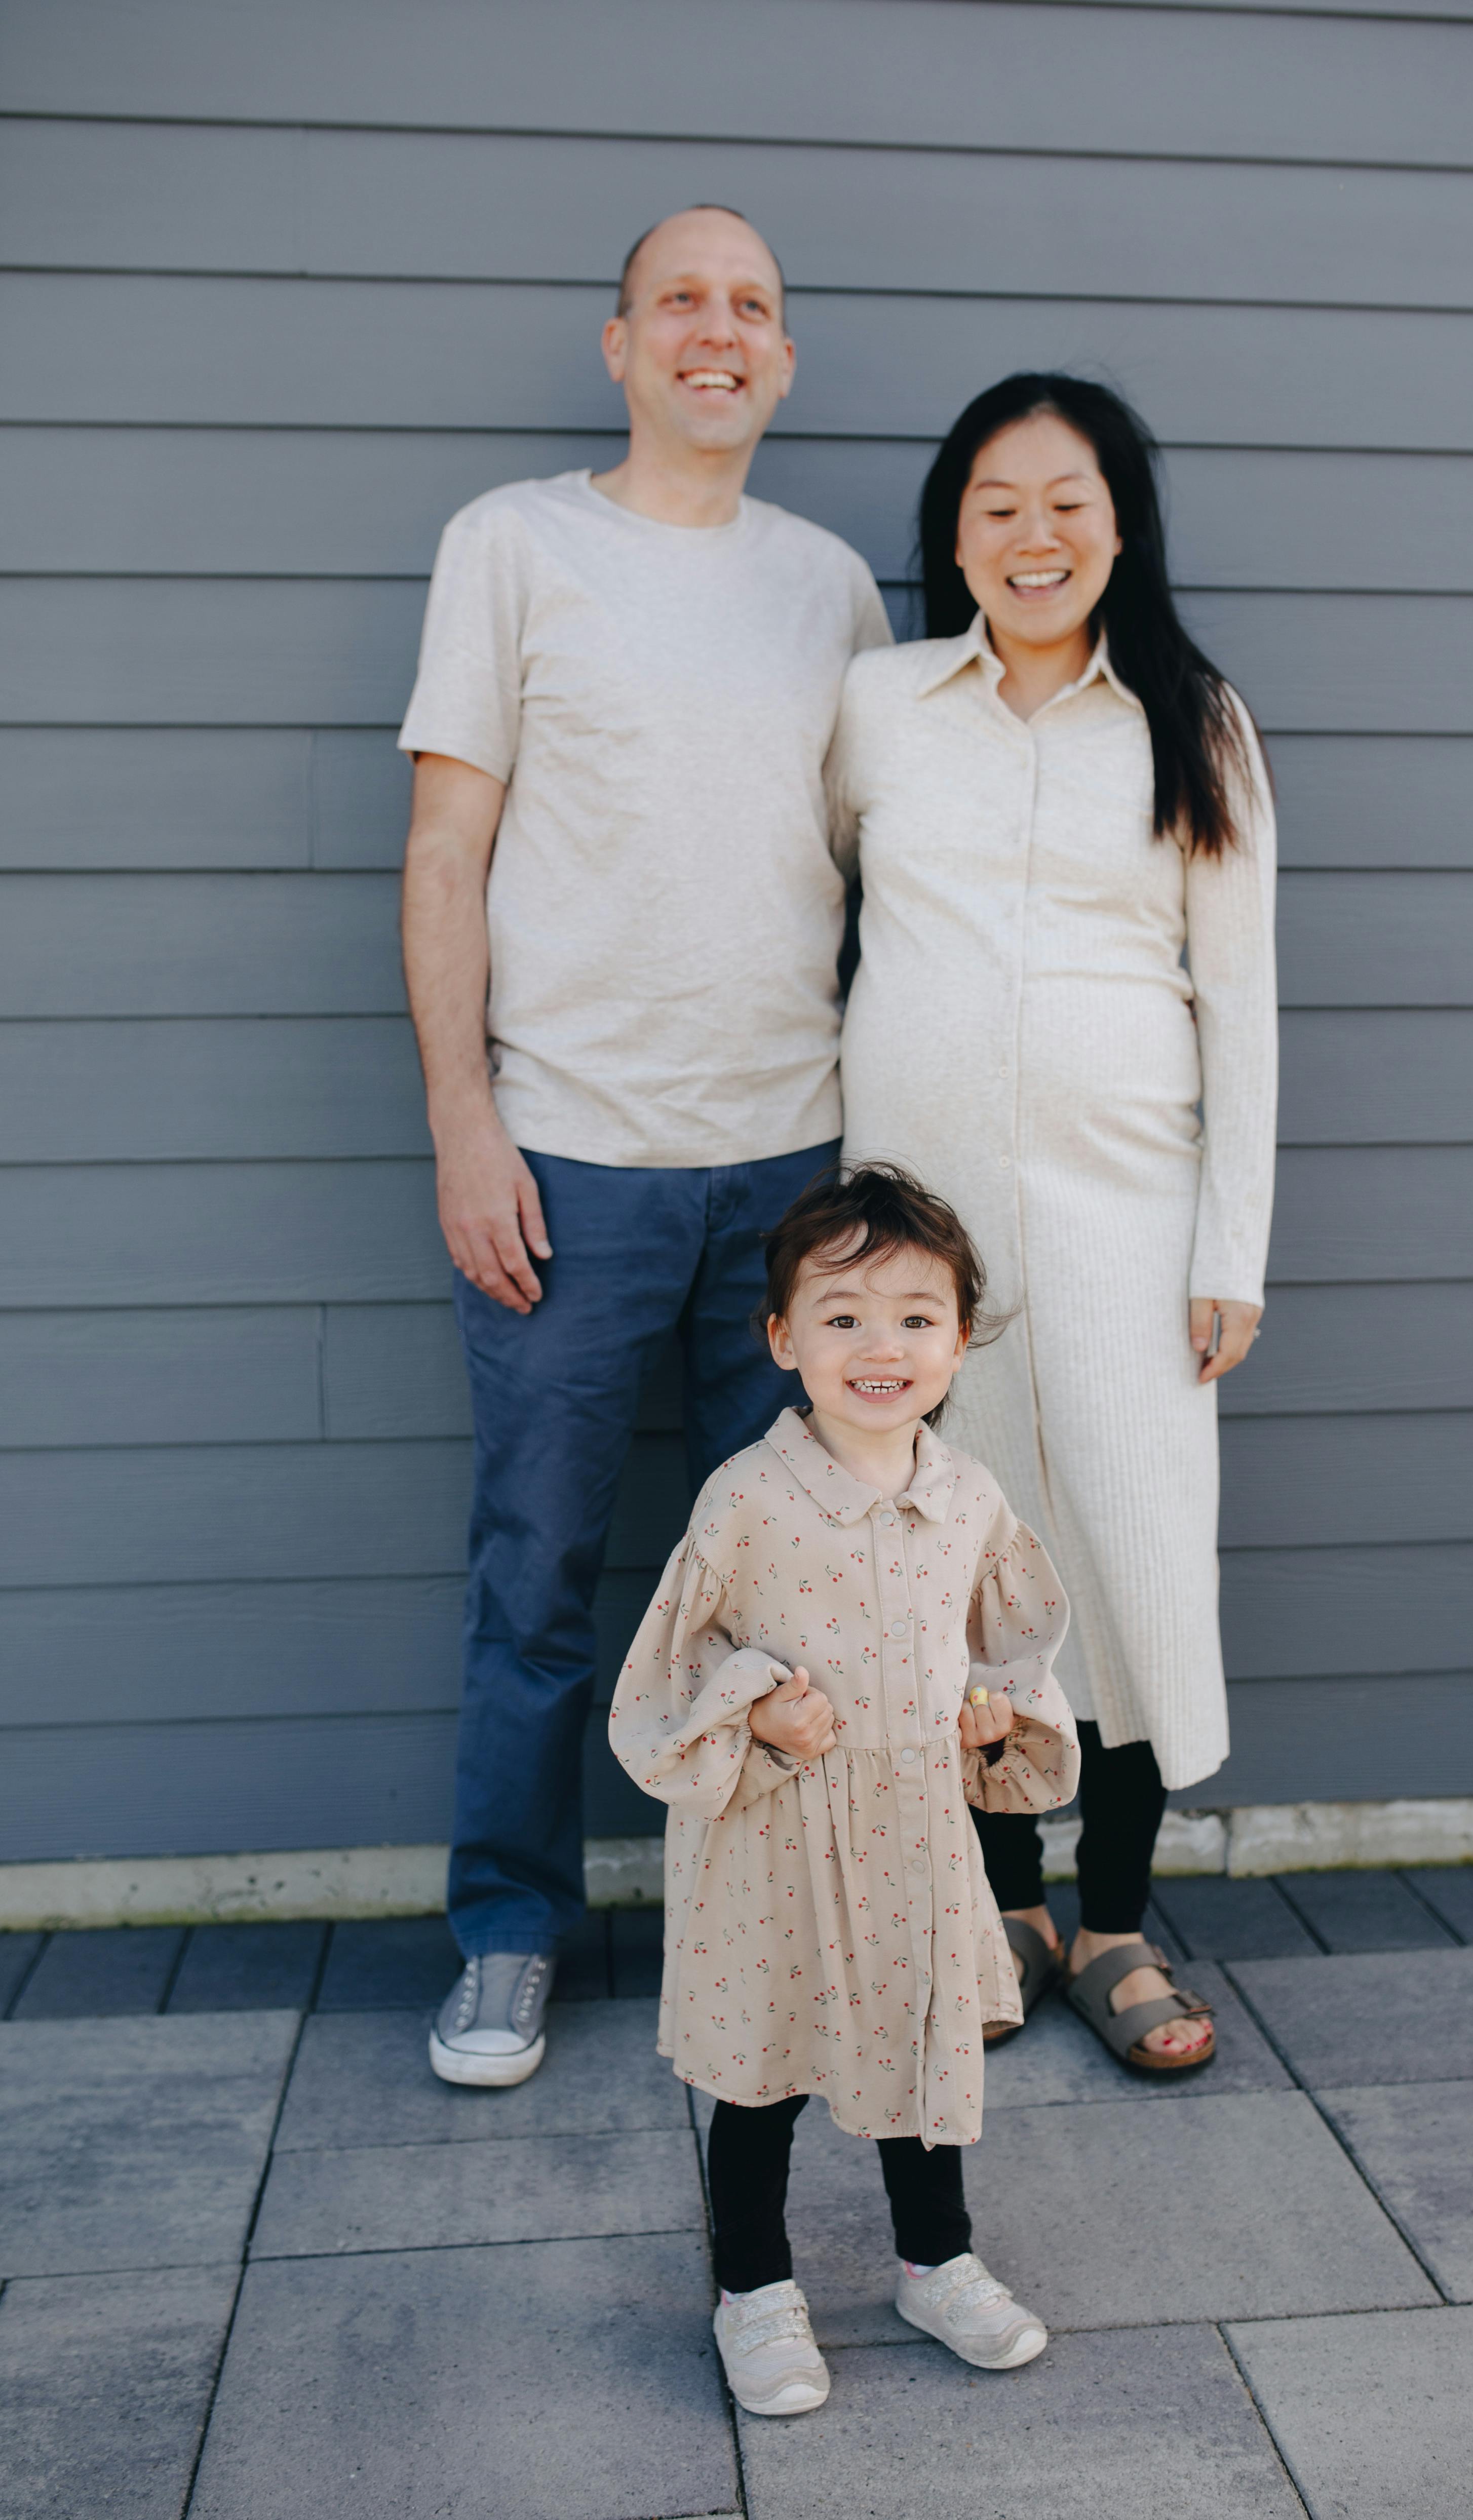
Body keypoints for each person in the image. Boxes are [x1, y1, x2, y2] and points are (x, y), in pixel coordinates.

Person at [398, 206, 891, 2087]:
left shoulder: (832, 587)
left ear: (781, 359)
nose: (715, 330)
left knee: (781, 1581)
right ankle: (508, 1931)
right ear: (618, 343)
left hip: (792, 1174)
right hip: (570, 1162)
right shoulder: (515, 547)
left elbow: (874, 877)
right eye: (679, 299)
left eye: (750, 305)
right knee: (536, 1570)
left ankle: (758, 1936)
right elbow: (446, 853)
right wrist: (465, 1116)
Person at [831, 374, 1277, 2074]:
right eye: (995, 503)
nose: (1032, 534)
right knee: (956, 1570)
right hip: (912, 1258)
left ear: (1118, 523)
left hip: (1126, 1225)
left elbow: (1237, 1004)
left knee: (1127, 1566)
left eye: (1066, 500)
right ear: (952, 532)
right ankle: (1003, 1909)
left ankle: (1110, 1924)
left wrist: (1223, 1249)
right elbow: (820, 918)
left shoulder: (1191, 717)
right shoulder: (877, 706)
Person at [610, 1165, 1078, 2417]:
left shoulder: (967, 1497)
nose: (884, 1346)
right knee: (762, 2069)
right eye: (845, 1315)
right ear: (782, 1337)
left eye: (917, 1317)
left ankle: (937, 2260)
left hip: (913, 1832)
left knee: (918, 2054)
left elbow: (1007, 1644)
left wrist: (995, 1717)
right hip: (775, 1832)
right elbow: (669, 1672)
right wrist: (757, 1706)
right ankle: (752, 2288)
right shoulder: (749, 1500)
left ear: (960, 1338)